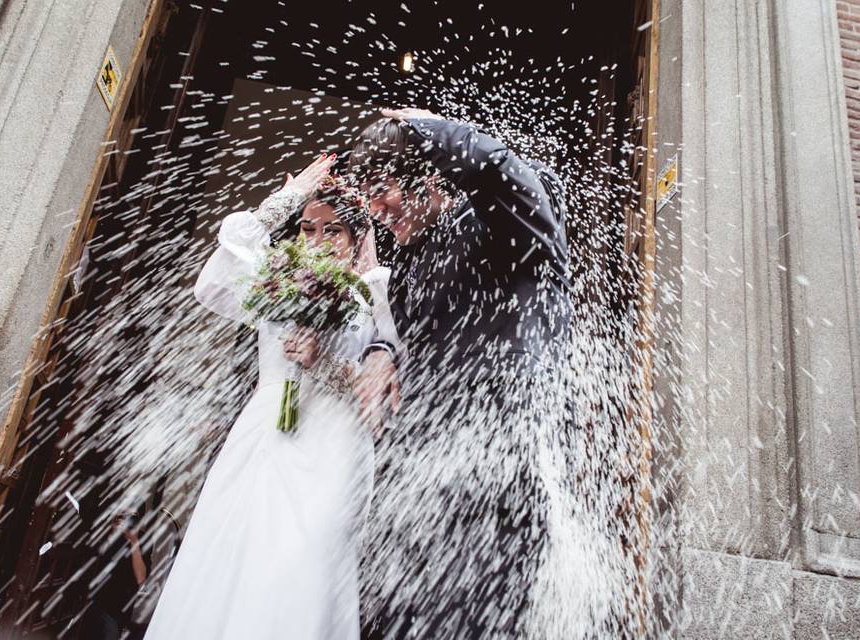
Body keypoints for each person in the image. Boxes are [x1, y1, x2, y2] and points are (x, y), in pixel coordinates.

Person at [144, 153, 402, 640]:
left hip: (334, 444)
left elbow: (386, 384)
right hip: (265, 433)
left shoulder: (376, 292)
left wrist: (323, 360)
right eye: (309, 229)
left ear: (356, 236)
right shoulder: (277, 279)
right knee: (235, 554)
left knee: (303, 563)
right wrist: (286, 200)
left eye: (334, 231)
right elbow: (213, 285)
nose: (319, 241)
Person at [349, 108, 571, 638]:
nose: (378, 210)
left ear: (428, 173)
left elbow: (496, 167)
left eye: (383, 189)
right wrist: (382, 350)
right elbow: (394, 333)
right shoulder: (416, 256)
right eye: (368, 197)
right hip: (422, 497)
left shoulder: (506, 222)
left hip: (496, 492)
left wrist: (419, 129)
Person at [82, 508, 152, 639]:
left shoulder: (144, 540)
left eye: (132, 516)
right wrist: (112, 532)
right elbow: (94, 558)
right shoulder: (106, 532)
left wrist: (134, 542)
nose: (127, 520)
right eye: (124, 516)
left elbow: (141, 578)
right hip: (94, 599)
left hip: (117, 608)